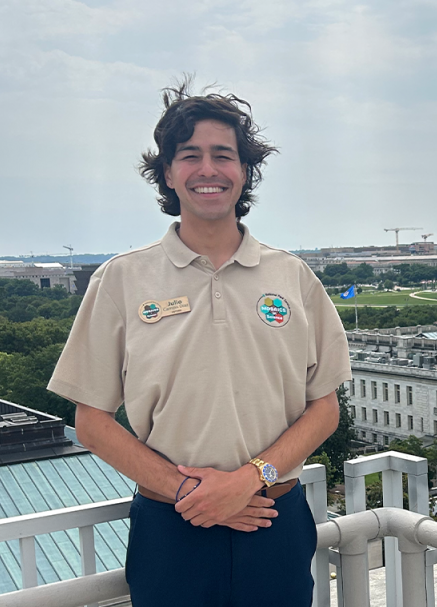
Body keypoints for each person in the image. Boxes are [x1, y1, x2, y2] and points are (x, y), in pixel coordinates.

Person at [48, 79, 351, 606]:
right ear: (167, 172)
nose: (207, 170)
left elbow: (324, 408)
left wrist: (250, 480)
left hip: (273, 519)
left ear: (245, 170)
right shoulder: (121, 280)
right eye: (190, 155)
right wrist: (193, 494)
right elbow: (91, 422)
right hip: (171, 526)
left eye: (223, 155)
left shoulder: (294, 278)